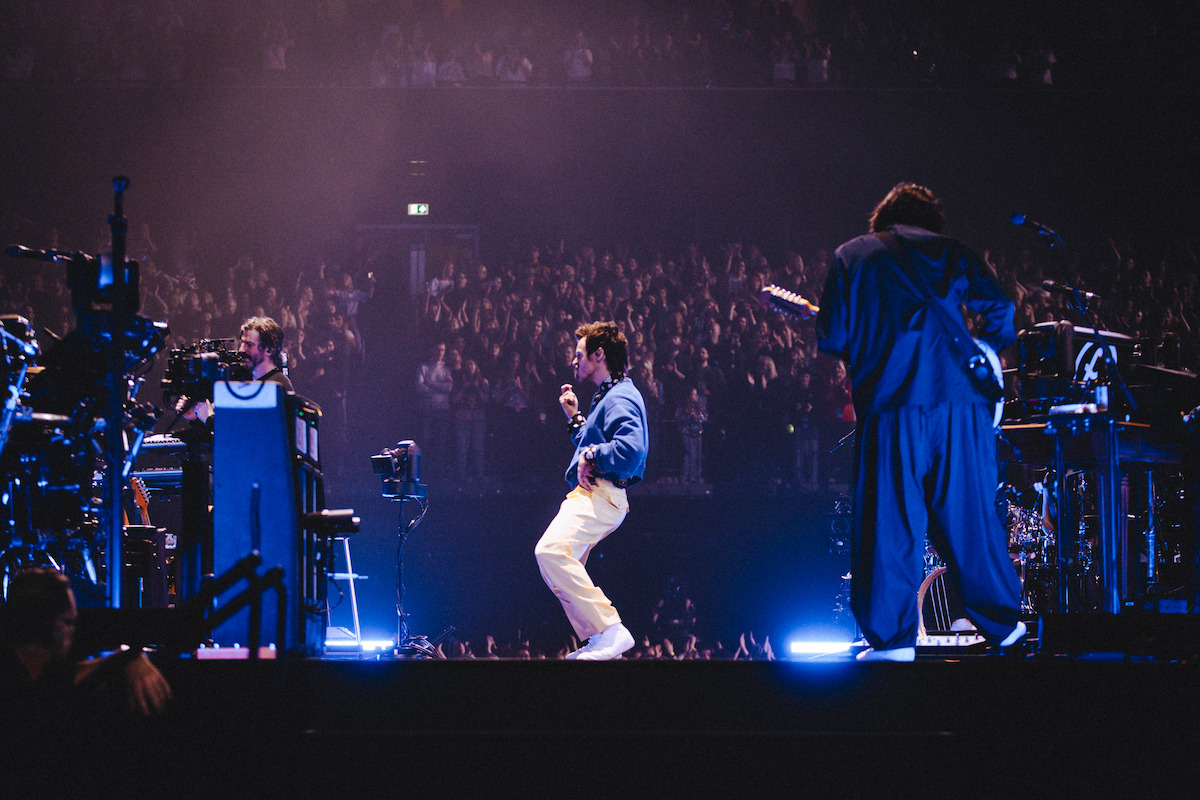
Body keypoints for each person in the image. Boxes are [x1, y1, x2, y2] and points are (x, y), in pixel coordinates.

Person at [815, 183, 1025, 661]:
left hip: (893, 402)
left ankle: (893, 643)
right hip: (961, 405)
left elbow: (833, 337)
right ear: (931, 220)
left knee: (890, 522)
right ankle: (1005, 626)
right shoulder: (953, 251)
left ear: (883, 217)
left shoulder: (852, 255)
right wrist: (988, 347)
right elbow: (1001, 309)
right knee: (970, 516)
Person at [535, 322, 648, 660]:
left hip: (600, 493)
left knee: (551, 551)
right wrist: (575, 418)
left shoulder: (621, 396)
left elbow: (632, 450)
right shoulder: (610, 395)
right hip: (596, 494)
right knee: (560, 570)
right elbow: (593, 442)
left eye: (579, 354)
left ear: (599, 355)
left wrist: (592, 454)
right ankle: (600, 635)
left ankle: (611, 629)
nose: (574, 361)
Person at [1, 567, 171, 720]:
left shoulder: (19, 671)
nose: (74, 630)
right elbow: (57, 682)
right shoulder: (36, 689)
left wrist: (129, 658)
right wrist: (130, 658)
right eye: (71, 621)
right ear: (59, 627)